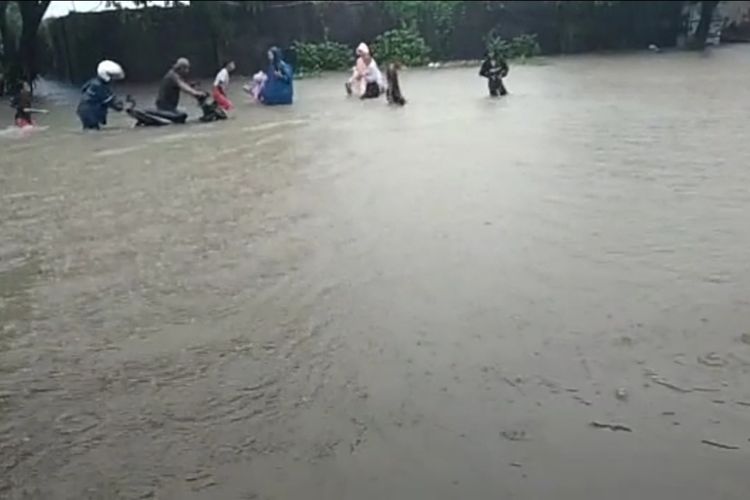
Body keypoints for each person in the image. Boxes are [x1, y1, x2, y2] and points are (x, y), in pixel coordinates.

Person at [76, 60, 125, 130]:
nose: (114, 79)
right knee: (93, 132)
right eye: (112, 76)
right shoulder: (100, 86)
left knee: (90, 129)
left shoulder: (94, 82)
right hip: (90, 113)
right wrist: (122, 106)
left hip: (84, 110)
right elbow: (112, 102)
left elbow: (83, 89)